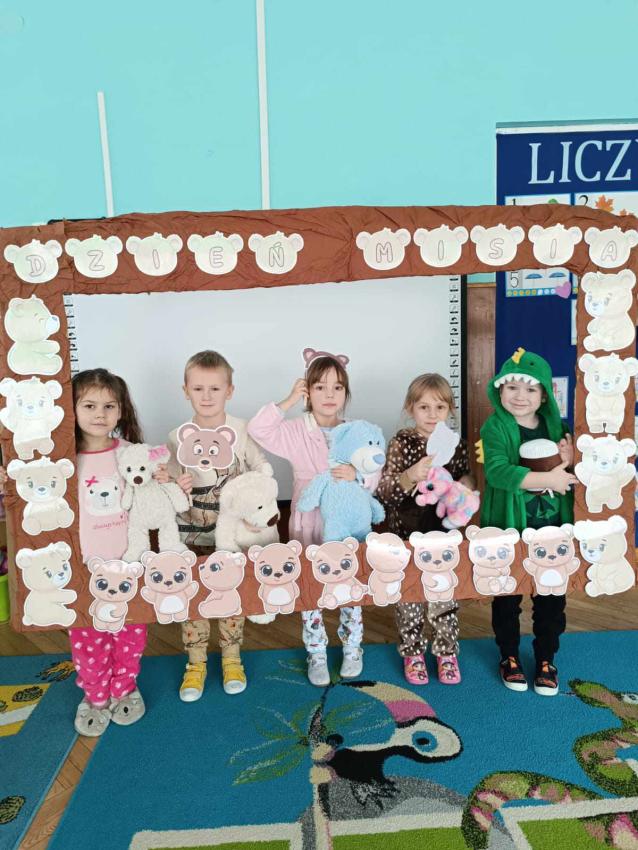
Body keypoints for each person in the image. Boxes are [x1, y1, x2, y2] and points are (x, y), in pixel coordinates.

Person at [248, 350, 367, 686]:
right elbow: (259, 429)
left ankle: (352, 646)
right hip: (308, 519)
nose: (329, 394)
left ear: (346, 393)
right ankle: (316, 652)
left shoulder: (355, 431)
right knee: (310, 586)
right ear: (307, 391)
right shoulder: (296, 430)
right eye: (319, 387)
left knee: (349, 584)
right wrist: (287, 401)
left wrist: (357, 474)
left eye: (337, 387)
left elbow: (375, 472)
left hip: (346, 519)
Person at [162, 350, 273, 701]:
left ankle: (231, 657)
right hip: (191, 533)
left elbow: (263, 470)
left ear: (230, 390)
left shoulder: (241, 431)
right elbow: (167, 487)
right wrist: (175, 485)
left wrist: (256, 506)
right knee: (193, 596)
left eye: (215, 388)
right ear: (186, 391)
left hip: (233, 535)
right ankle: (195, 663)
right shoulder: (176, 437)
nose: (206, 396)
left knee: (230, 596)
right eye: (198, 389)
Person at [480, 348, 576, 696]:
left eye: (530, 389)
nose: (520, 396)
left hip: (552, 529)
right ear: (500, 390)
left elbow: (569, 472)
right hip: (508, 526)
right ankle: (509, 655)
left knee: (551, 596)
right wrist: (548, 480)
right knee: (507, 594)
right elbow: (497, 471)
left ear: (545, 395)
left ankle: (546, 658)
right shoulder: (495, 426)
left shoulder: (557, 427)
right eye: (512, 387)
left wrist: (570, 459)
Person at [377, 373, 475, 686]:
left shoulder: (455, 445)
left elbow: (465, 477)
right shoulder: (401, 443)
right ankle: (413, 652)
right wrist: (410, 475)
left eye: (440, 407)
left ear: (450, 410)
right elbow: (386, 492)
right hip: (406, 535)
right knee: (409, 597)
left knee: (444, 597)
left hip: (443, 535)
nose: (432, 415)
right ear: (410, 409)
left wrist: (466, 488)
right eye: (424, 407)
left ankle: (446, 652)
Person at [70, 368, 147, 736]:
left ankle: (124, 688)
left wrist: (170, 479)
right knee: (88, 636)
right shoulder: (64, 460)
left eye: (108, 406)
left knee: (130, 633)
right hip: (84, 567)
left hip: (128, 565)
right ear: (72, 409)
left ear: (121, 411)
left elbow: (153, 496)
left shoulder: (132, 454)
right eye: (89, 405)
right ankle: (95, 696)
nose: (99, 414)